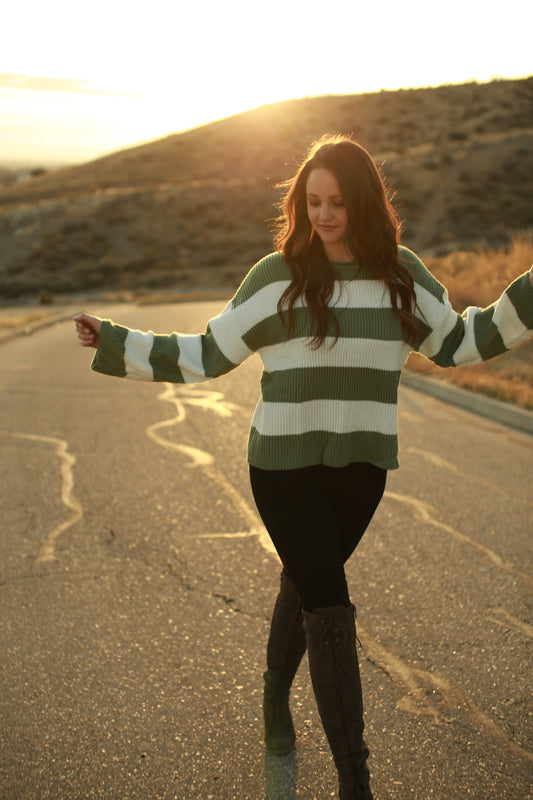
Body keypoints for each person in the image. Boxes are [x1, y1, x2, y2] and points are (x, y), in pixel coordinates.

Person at [74, 134, 533, 800]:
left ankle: (272, 695)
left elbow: (463, 341)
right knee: (330, 603)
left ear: (364, 203)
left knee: (306, 588)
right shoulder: (277, 277)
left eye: (336, 203)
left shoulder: (400, 276)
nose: (323, 215)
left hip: (361, 469)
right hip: (283, 467)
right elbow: (208, 353)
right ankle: (355, 779)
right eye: (313, 202)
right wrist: (116, 340)